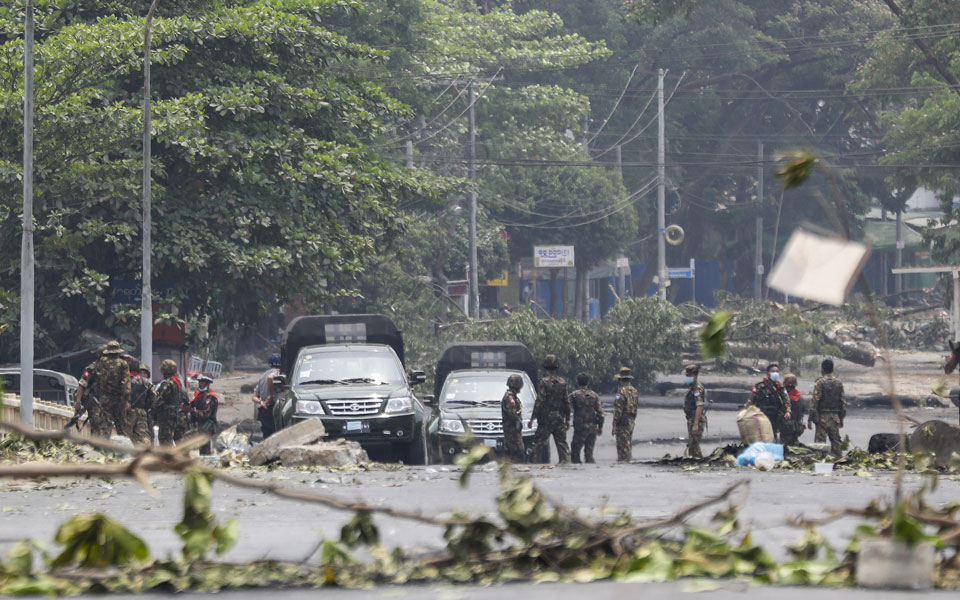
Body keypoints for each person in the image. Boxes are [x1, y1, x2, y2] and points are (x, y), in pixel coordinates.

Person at [529, 354, 571, 464]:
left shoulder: (543, 382)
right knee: (562, 443)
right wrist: (567, 419)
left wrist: (532, 418)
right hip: (559, 418)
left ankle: (534, 465)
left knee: (538, 443)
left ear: (545, 367)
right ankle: (566, 463)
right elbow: (566, 402)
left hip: (545, 419)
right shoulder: (562, 382)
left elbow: (540, 401)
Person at [808, 359, 845, 458]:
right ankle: (838, 461)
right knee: (836, 443)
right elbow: (842, 403)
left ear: (822, 369)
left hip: (822, 417)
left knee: (820, 445)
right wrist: (841, 418)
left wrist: (810, 419)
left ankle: (820, 461)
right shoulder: (839, 383)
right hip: (835, 417)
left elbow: (815, 401)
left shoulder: (820, 383)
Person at [746, 363, 790, 442]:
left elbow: (786, 399)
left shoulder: (780, 387)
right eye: (773, 371)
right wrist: (747, 412)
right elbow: (751, 400)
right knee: (762, 436)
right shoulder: (760, 386)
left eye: (777, 371)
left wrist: (787, 411)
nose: (775, 373)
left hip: (776, 416)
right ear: (767, 373)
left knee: (773, 435)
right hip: (763, 416)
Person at [96, 340, 132, 438]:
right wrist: (126, 400)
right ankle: (123, 449)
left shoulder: (102, 361)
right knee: (121, 425)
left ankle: (104, 447)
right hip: (119, 399)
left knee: (105, 424)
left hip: (105, 397)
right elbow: (126, 385)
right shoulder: (123, 364)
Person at [74, 345, 108, 436]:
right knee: (96, 426)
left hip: (108, 404)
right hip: (95, 403)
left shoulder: (113, 370)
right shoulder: (92, 368)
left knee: (106, 428)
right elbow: (82, 385)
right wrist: (78, 402)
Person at [569, 372, 603, 464]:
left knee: (575, 452)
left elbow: (566, 408)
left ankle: (577, 472)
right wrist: (600, 427)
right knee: (589, 454)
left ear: (577, 382)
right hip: (592, 427)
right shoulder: (595, 396)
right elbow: (601, 414)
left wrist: (566, 421)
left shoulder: (574, 395)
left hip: (580, 427)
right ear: (588, 382)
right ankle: (591, 472)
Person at [188, 372, 219, 455]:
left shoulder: (210, 397)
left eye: (202, 382)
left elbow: (205, 414)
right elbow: (192, 404)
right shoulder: (199, 396)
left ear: (207, 383)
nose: (200, 383)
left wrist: (191, 410)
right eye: (199, 381)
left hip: (207, 426)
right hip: (199, 425)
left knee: (204, 449)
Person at [155, 359, 185, 445]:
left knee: (165, 440)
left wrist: (153, 407)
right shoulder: (177, 382)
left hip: (166, 416)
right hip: (173, 414)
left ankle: (167, 457)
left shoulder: (167, 383)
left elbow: (161, 399)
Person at [612, 367, 638, 462]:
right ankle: (628, 460)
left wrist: (614, 424)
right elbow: (635, 407)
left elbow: (618, 409)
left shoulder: (620, 392)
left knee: (622, 444)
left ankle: (624, 461)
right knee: (628, 442)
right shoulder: (634, 391)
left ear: (621, 379)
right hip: (631, 420)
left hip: (623, 420)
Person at [252, 353, 280, 439]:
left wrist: (261, 402)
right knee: (276, 437)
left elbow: (254, 397)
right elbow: (270, 378)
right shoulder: (277, 373)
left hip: (264, 410)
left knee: (267, 437)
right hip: (273, 409)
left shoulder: (262, 376)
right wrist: (271, 397)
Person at [127, 363, 156, 445]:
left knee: (128, 432)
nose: (142, 375)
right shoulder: (149, 384)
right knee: (143, 433)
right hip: (143, 411)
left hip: (130, 411)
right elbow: (153, 399)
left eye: (144, 373)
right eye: (141, 373)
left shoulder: (130, 381)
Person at [501, 374, 526, 463]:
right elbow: (512, 412)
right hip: (511, 428)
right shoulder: (509, 397)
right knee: (518, 450)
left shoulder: (513, 396)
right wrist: (518, 421)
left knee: (511, 450)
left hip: (512, 428)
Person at [683, 365, 707, 459]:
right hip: (691, 419)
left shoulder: (697, 389)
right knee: (692, 445)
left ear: (695, 376)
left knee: (694, 445)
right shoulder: (693, 388)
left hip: (695, 419)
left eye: (690, 376)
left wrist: (696, 424)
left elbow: (699, 406)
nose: (688, 378)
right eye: (687, 376)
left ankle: (698, 462)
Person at [780, 373, 804, 446]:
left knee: (785, 446)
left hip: (786, 426)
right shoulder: (799, 396)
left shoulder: (785, 397)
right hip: (797, 425)